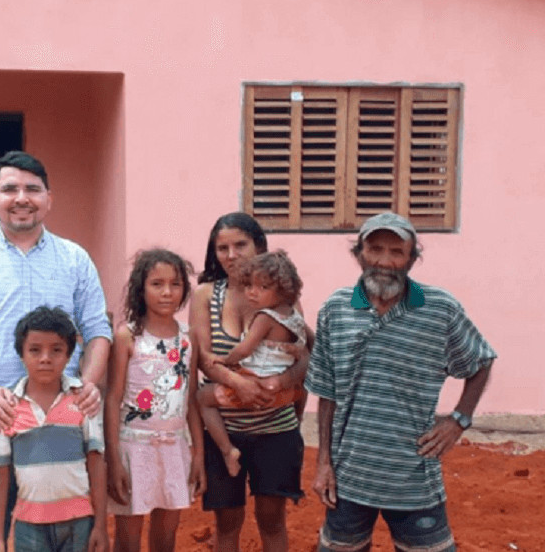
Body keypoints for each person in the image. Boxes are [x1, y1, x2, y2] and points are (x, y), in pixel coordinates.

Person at [0, 150, 112, 552]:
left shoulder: (75, 260)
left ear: (49, 198)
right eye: (10, 188)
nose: (22, 197)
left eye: (33, 188)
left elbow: (99, 330)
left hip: (60, 418)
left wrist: (89, 384)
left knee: (62, 525)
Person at [306, 212, 497, 552]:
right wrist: (323, 462)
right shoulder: (335, 309)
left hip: (413, 476)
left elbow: (480, 361)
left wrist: (459, 420)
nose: (384, 261)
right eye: (375, 249)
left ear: (411, 260)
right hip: (350, 475)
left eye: (397, 252)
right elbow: (327, 393)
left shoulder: (440, 309)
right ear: (359, 254)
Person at [188, 212, 309, 552]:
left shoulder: (282, 296)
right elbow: (202, 357)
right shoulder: (205, 295)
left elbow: (303, 354)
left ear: (259, 247)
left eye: (240, 245)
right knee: (227, 524)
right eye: (222, 247)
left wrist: (283, 381)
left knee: (272, 521)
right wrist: (238, 384)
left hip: (277, 429)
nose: (231, 255)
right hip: (224, 432)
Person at [0, 306, 108, 552]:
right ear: (21, 354)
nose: (46, 358)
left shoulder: (82, 401)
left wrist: (100, 525)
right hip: (30, 526)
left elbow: (96, 463)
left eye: (56, 350)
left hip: (79, 523)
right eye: (35, 350)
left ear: (69, 355)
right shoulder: (6, 407)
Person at [105, 249, 206, 552]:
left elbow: (190, 401)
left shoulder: (189, 338)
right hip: (134, 447)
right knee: (129, 535)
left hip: (174, 448)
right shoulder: (128, 336)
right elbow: (112, 400)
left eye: (175, 284)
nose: (167, 292)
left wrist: (198, 454)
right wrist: (113, 460)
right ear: (141, 288)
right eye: (157, 284)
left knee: (166, 532)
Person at [197, 250, 308, 478]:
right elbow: (310, 345)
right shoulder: (294, 317)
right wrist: (296, 351)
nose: (252, 292)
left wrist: (225, 361)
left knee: (202, 398)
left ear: (283, 290)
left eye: (263, 287)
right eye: (249, 286)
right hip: (284, 393)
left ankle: (228, 452)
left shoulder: (264, 317)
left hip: (254, 386)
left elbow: (244, 349)